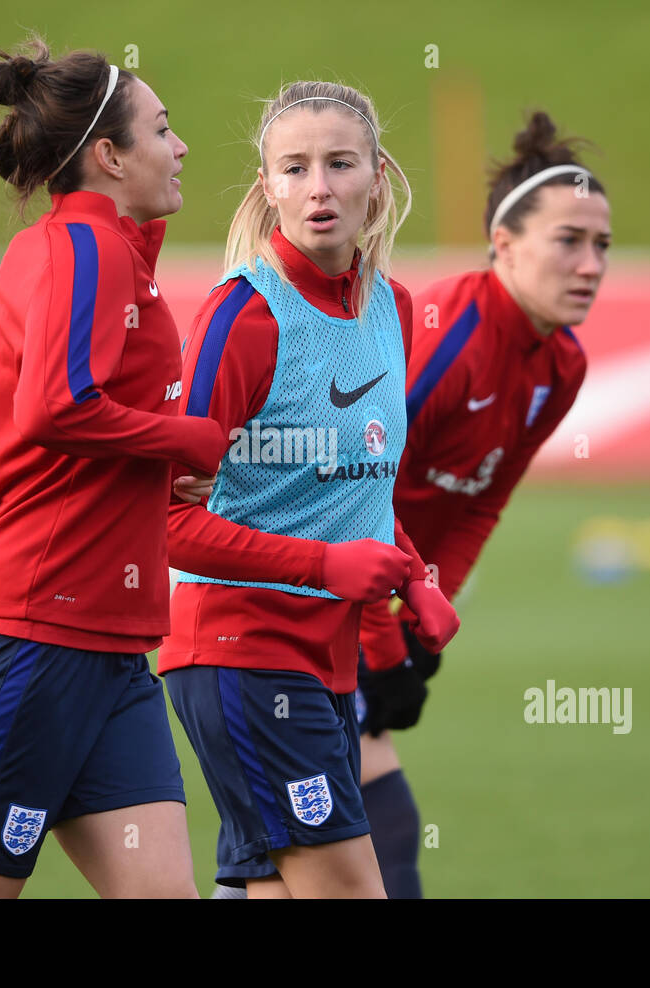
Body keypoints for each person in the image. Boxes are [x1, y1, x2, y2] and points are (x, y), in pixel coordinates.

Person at [0, 37, 228, 898]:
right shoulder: (80, 250)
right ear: (109, 155)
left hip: (112, 650)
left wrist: (143, 474)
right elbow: (54, 409)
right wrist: (181, 442)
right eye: (164, 129)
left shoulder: (89, 253)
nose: (182, 145)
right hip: (24, 643)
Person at [159, 81, 460, 899]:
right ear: (268, 188)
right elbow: (164, 527)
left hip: (326, 664)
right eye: (294, 168)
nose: (318, 187)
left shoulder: (391, 308)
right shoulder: (245, 319)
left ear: (379, 176)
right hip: (237, 651)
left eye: (339, 163)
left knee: (272, 891)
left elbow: (359, 483)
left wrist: (414, 574)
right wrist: (326, 568)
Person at [355, 110, 611, 897]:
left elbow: (478, 505)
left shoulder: (561, 367)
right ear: (504, 244)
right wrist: (385, 645)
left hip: (367, 600)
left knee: (322, 847)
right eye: (568, 240)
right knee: (365, 843)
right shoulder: (450, 338)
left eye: (602, 244)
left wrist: (427, 617)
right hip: (300, 591)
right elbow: (349, 495)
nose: (591, 264)